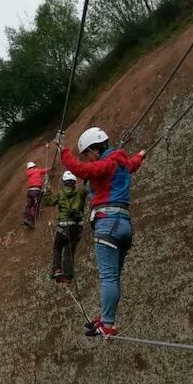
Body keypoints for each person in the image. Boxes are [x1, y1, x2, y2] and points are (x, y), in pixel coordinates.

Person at [60, 127, 145, 337]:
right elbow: (134, 162)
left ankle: (107, 323)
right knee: (113, 277)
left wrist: (63, 151)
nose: (88, 160)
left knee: (108, 277)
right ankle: (108, 319)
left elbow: (84, 171)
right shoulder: (122, 162)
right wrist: (141, 155)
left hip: (107, 222)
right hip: (124, 224)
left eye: (88, 155)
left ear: (95, 150)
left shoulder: (105, 164)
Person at [42, 170, 88, 283]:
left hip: (63, 226)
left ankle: (57, 269)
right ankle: (68, 275)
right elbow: (87, 188)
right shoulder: (80, 192)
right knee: (69, 251)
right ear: (74, 182)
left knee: (57, 247)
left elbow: (49, 202)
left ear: (64, 182)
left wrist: (47, 190)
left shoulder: (61, 193)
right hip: (76, 227)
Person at [23, 159, 49, 228]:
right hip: (36, 190)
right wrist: (50, 168)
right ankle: (30, 220)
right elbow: (44, 170)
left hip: (30, 191)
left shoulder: (28, 173)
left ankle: (26, 218)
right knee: (35, 205)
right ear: (34, 166)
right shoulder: (37, 170)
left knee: (29, 205)